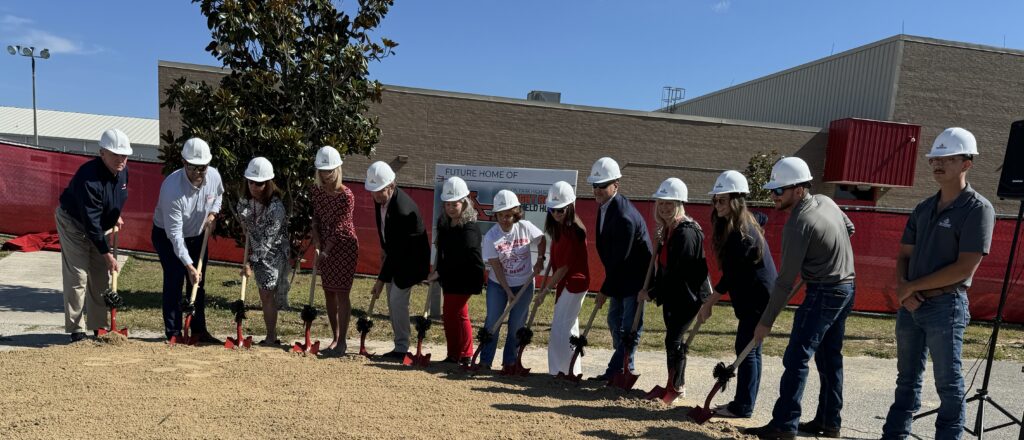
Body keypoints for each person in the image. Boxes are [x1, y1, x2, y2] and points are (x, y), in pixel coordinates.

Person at [882, 127, 994, 440]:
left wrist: (911, 288)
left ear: (966, 164)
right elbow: (904, 254)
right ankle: (893, 434)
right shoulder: (922, 208)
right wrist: (906, 289)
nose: (937, 164)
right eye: (934, 158)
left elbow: (964, 267)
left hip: (946, 307)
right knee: (906, 380)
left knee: (948, 383)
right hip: (911, 307)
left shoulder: (978, 209)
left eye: (947, 158)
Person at [744, 156, 856, 440]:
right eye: (772, 190)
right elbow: (849, 229)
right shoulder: (826, 202)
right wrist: (825, 253)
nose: (773, 195)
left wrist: (765, 322)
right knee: (830, 357)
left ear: (798, 189)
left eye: (778, 190)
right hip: (847, 286)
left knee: (796, 357)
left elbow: (783, 282)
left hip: (825, 290)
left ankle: (784, 425)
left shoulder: (799, 223)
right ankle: (830, 421)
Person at [699, 170, 778, 418]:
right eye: (715, 200)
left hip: (759, 297)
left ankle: (743, 406)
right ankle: (743, 402)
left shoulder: (742, 234)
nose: (717, 205)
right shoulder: (742, 224)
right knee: (750, 349)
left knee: (746, 347)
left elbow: (730, 276)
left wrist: (709, 303)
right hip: (752, 295)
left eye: (722, 200)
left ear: (735, 201)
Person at [55, 129, 131, 342]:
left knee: (100, 277)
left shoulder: (123, 172)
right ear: (102, 153)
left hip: (98, 225)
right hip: (73, 224)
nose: (121, 159)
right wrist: (107, 256)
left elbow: (117, 197)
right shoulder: (89, 179)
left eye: (124, 154)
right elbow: (91, 224)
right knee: (78, 275)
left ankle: (99, 327)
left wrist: (116, 215)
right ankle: (76, 329)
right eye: (115, 154)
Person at [637, 178, 709, 395]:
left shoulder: (686, 232)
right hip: (674, 295)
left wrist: (651, 292)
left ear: (679, 204)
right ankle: (674, 383)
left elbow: (680, 272)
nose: (665, 208)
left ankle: (677, 386)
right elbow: (664, 266)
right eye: (661, 203)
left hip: (687, 296)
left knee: (674, 340)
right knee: (672, 339)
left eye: (670, 203)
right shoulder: (669, 230)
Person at [152, 137, 224, 343]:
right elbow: (174, 235)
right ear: (184, 163)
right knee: (175, 277)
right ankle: (174, 332)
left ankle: (198, 330)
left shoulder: (214, 176)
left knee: (197, 283)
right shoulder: (171, 189)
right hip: (167, 236)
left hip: (197, 235)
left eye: (202, 168)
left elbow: (218, 196)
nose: (198, 173)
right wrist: (189, 265)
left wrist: (213, 214)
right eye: (193, 168)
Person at [587, 157, 653, 381]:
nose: (597, 190)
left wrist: (604, 289)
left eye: (602, 186)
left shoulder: (624, 216)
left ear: (616, 184)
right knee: (614, 321)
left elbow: (620, 258)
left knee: (628, 327)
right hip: (620, 277)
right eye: (594, 186)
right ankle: (625, 365)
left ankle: (616, 370)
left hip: (634, 279)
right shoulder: (606, 206)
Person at [366, 161, 431, 359]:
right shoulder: (381, 200)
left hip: (411, 261)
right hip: (395, 256)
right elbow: (386, 234)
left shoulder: (403, 210)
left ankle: (402, 348)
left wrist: (379, 279)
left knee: (396, 301)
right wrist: (383, 249)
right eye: (373, 191)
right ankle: (399, 344)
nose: (376, 195)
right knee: (391, 301)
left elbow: (398, 251)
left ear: (392, 185)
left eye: (380, 191)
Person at [480, 189, 546, 371]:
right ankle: (485, 361)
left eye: (508, 215)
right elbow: (496, 267)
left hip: (524, 284)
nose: (504, 219)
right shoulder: (491, 237)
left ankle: (510, 362)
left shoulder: (525, 226)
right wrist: (508, 291)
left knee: (516, 325)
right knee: (493, 321)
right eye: (500, 215)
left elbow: (541, 240)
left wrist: (540, 259)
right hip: (498, 285)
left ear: (516, 213)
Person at [428, 176, 485, 364]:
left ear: (464, 203)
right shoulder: (445, 224)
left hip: (466, 277)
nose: (451, 208)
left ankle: (466, 354)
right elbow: (444, 252)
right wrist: (439, 270)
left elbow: (467, 256)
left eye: (455, 204)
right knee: (452, 314)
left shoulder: (470, 228)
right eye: (448, 205)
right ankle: (453, 353)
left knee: (455, 313)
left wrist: (440, 272)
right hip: (450, 276)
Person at [310, 146, 359, 354]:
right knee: (328, 291)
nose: (326, 175)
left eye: (329, 171)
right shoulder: (317, 192)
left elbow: (341, 225)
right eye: (322, 171)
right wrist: (317, 241)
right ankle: (334, 336)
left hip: (344, 247)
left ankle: (343, 341)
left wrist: (327, 250)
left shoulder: (346, 195)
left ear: (337, 170)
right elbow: (316, 218)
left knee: (341, 293)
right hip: (325, 246)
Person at [237, 157, 290, 345]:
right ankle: (270, 334)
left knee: (268, 294)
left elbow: (268, 241)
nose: (254, 186)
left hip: (273, 253)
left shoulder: (276, 208)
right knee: (264, 294)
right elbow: (241, 213)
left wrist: (250, 262)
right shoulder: (245, 202)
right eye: (251, 182)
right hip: (255, 250)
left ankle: (271, 336)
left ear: (268, 183)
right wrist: (245, 224)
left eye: (259, 183)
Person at [539, 181, 590, 376]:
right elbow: (555, 259)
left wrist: (544, 291)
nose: (556, 214)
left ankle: (559, 371)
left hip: (575, 282)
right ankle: (571, 370)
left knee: (561, 329)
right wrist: (545, 282)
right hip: (566, 282)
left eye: (560, 210)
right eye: (552, 209)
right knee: (568, 326)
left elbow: (564, 268)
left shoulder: (573, 230)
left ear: (570, 206)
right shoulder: (559, 227)